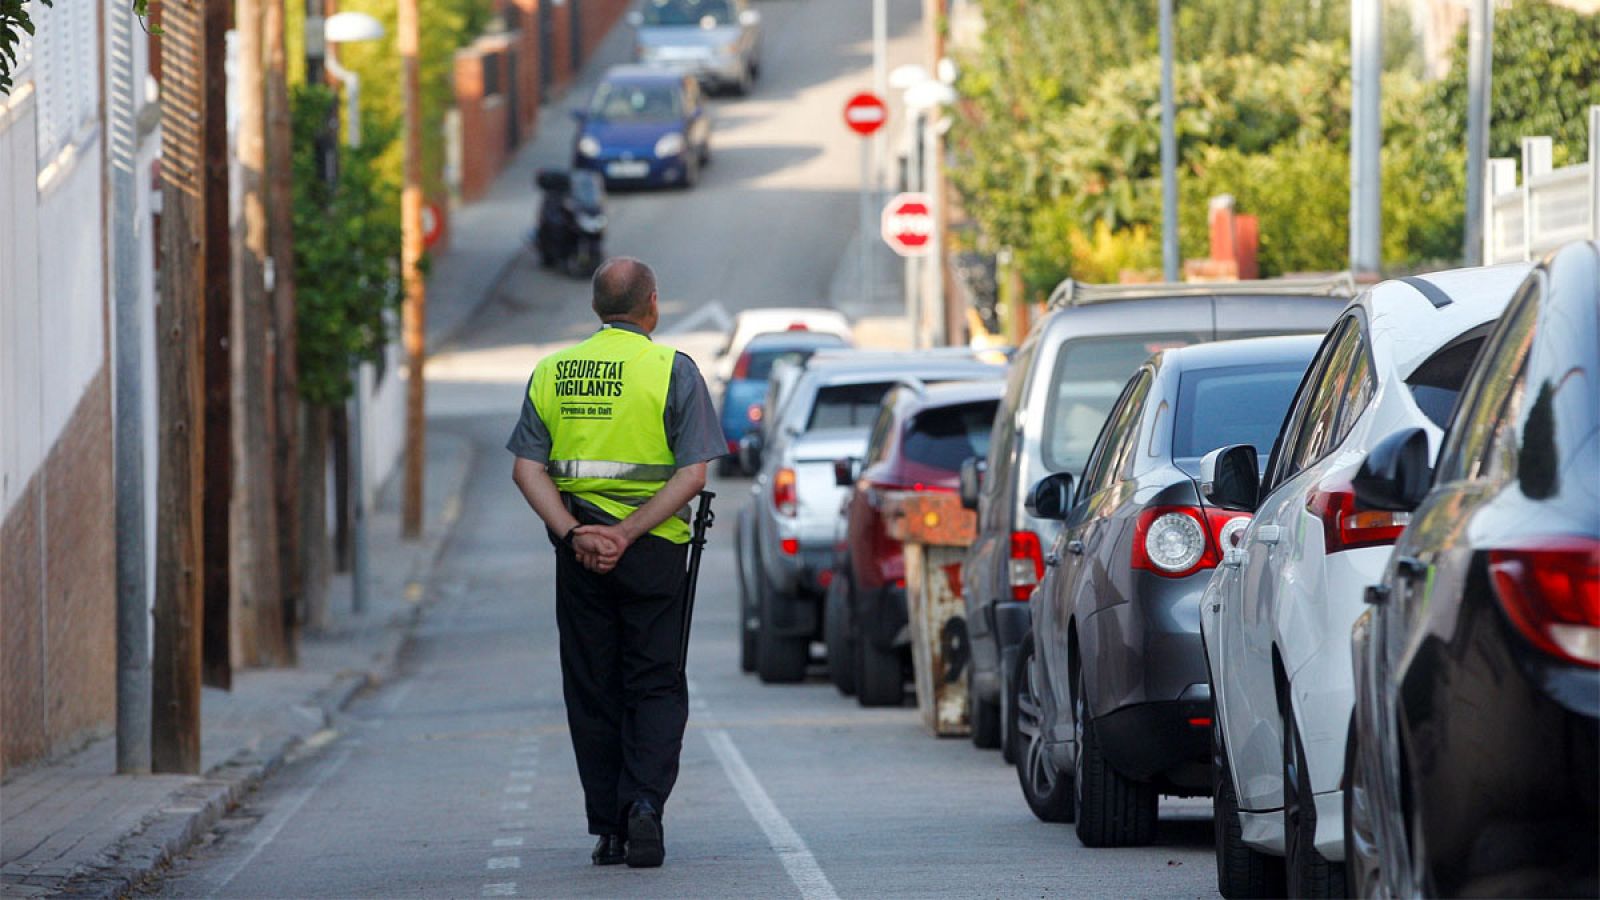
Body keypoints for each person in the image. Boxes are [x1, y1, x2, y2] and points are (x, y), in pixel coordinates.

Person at [507, 257, 726, 869]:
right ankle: (646, 806)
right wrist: (627, 532)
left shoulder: (553, 371)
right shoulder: (671, 371)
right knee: (654, 681)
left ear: (597, 308)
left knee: (593, 686)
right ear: (652, 304)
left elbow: (527, 469)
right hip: (654, 552)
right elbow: (693, 473)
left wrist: (578, 532)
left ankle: (608, 827)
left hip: (578, 557)